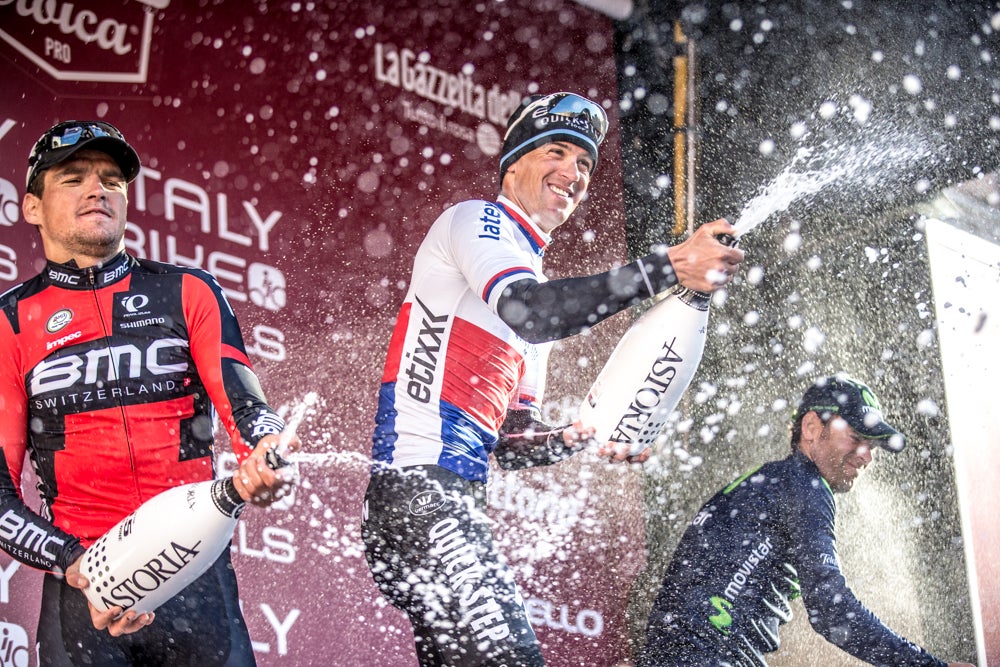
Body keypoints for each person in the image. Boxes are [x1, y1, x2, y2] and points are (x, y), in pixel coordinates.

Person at [361, 91, 745, 666]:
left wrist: (581, 434)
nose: (573, 173)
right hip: (419, 496)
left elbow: (510, 446)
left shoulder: (527, 273)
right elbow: (534, 311)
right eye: (557, 153)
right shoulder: (478, 222)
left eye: (586, 164)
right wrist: (668, 265)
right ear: (513, 162)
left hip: (449, 501)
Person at [0, 120, 299, 666]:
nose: (99, 189)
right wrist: (76, 564)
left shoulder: (188, 290)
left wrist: (265, 450)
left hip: (197, 580)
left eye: (112, 179)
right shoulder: (10, 322)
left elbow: (247, 407)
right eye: (74, 178)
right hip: (81, 591)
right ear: (32, 207)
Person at [640, 374, 974, 667]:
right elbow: (830, 611)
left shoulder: (771, 481)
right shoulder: (807, 486)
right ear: (812, 427)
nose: (867, 456)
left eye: (872, 446)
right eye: (857, 439)